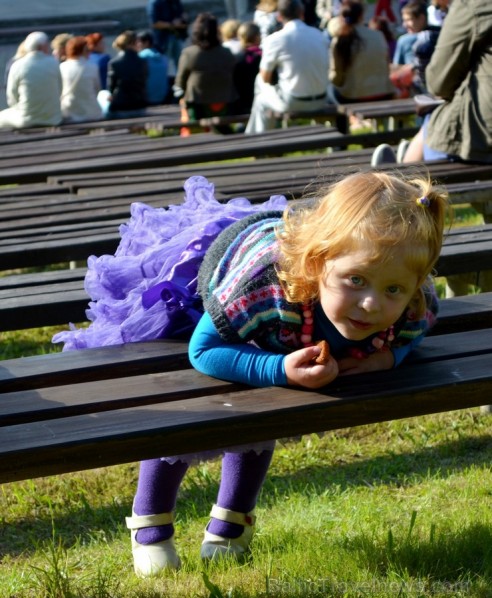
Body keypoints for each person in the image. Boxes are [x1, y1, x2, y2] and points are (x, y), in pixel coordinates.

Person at [53, 171, 448, 576]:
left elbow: (417, 330)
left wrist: (388, 358)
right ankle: (149, 521)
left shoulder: (413, 303)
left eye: (393, 290)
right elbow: (204, 350)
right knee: (181, 401)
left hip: (278, 324)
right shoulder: (263, 286)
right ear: (317, 263)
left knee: (260, 410)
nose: (370, 304)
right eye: (356, 280)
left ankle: (231, 521)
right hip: (211, 294)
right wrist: (278, 368)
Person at [371, 0, 492, 297]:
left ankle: (400, 175)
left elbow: (439, 80)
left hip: (481, 140)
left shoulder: (475, 6)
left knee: (422, 157)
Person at [245, 0, 329, 134]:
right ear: (302, 13)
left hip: (293, 101)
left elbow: (265, 78)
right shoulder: (319, 35)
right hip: (322, 98)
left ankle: (257, 141)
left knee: (260, 89)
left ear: (279, 16)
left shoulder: (275, 40)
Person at [173, 13, 237, 129]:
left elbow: (180, 83)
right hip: (225, 102)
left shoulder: (189, 54)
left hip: (197, 105)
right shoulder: (227, 53)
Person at [329, 0, 395, 104]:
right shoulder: (379, 36)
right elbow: (386, 66)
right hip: (383, 93)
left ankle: (342, 121)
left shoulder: (339, 40)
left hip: (352, 96)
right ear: (361, 16)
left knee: (329, 91)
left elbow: (337, 78)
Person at [0, 31, 62, 129]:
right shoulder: (54, 63)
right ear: (43, 46)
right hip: (53, 118)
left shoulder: (17, 65)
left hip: (26, 119)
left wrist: (19, 107)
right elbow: (60, 89)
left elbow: (11, 96)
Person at [98, 30, 148, 119]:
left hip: (120, 107)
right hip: (139, 106)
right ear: (134, 43)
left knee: (102, 94)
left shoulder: (114, 63)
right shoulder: (143, 62)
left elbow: (111, 87)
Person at [60, 36, 103, 123]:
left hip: (69, 113)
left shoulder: (62, 67)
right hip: (92, 113)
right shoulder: (92, 67)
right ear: (84, 50)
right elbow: (97, 89)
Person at [147, 0, 188, 75]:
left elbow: (182, 14)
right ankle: (164, 84)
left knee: (181, 64)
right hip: (163, 40)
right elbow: (154, 23)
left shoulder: (175, 2)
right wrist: (172, 24)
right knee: (164, 66)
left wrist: (182, 20)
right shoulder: (155, 3)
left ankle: (180, 84)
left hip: (177, 37)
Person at [232, 22, 262, 115]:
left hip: (243, 102)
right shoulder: (263, 55)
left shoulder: (236, 58)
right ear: (257, 37)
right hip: (261, 99)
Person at [136, 30, 169, 105]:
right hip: (163, 97)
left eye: (138, 42)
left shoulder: (141, 57)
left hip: (147, 98)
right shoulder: (163, 57)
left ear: (146, 43)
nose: (137, 45)